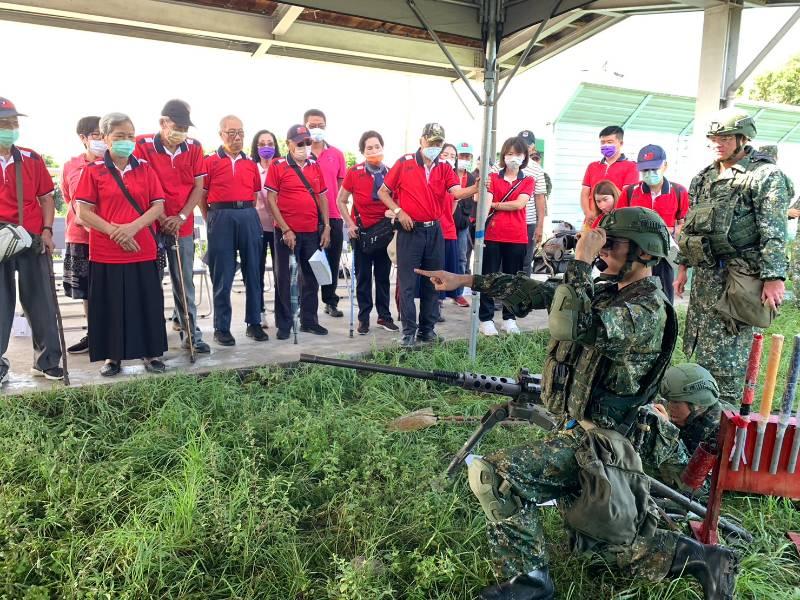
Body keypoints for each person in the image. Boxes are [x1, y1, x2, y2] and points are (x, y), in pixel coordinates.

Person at [417, 207, 738, 600]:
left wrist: (583, 260)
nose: (602, 250)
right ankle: (706, 559)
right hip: (577, 430)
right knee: (616, 547)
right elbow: (537, 291)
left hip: (604, 441)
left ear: (646, 255)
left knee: (496, 475)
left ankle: (529, 583)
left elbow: (568, 322)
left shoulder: (646, 310)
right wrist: (462, 279)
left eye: (611, 243)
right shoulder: (606, 291)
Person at [675, 108, 794, 405]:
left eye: (725, 136)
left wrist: (774, 278)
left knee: (729, 358)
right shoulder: (703, 178)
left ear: (743, 138)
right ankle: (702, 419)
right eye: (714, 137)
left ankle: (725, 422)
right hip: (705, 280)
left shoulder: (765, 176)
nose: (718, 142)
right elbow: (691, 225)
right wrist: (682, 268)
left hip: (738, 281)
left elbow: (774, 231)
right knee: (702, 350)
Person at [74, 112, 168, 376]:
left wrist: (133, 228)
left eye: (130, 136)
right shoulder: (93, 171)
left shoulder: (145, 169)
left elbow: (158, 205)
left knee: (146, 302)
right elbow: (84, 212)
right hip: (106, 251)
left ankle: (150, 354)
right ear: (105, 139)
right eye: (119, 136)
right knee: (110, 304)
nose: (126, 141)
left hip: (142, 248)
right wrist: (116, 232)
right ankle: (111, 358)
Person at [377, 122, 479, 349]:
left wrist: (475, 188)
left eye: (438, 142)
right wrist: (398, 211)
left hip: (434, 230)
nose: (434, 146)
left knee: (434, 280)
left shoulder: (443, 167)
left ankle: (427, 330)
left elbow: (456, 193)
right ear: (421, 140)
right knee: (408, 284)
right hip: (410, 230)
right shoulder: (404, 163)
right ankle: (408, 332)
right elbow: (383, 192)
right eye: (431, 141)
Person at [134, 99, 210, 353]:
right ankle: (151, 338)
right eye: (176, 126)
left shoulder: (194, 147)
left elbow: (198, 187)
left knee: (184, 281)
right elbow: (138, 186)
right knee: (150, 283)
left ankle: (192, 335)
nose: (181, 133)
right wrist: (162, 217)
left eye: (185, 128)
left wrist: (182, 216)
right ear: (163, 123)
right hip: (151, 226)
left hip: (182, 226)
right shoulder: (141, 145)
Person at [0, 96, 63, 383]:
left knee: (42, 301)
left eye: (14, 122)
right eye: (5, 123)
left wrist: (48, 230)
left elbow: (46, 197)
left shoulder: (31, 158)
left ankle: (47, 361)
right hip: (0, 240)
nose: (11, 127)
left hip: (32, 238)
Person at [199, 115, 268, 346]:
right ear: (221, 134)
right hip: (220, 216)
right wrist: (211, 218)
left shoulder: (250, 164)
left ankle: (254, 323)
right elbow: (201, 194)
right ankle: (222, 327)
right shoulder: (209, 162)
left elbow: (256, 194)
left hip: (247, 215)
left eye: (240, 132)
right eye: (231, 133)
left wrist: (247, 213)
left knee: (253, 272)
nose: (237, 137)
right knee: (223, 274)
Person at [266, 124, 331, 339]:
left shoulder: (315, 166)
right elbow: (271, 200)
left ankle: (309, 321)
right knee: (284, 278)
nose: (304, 147)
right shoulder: (278, 165)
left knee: (311, 277)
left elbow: (322, 197)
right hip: (287, 233)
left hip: (312, 231)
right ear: (289, 144)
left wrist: (327, 226)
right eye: (300, 143)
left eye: (307, 143)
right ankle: (284, 324)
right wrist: (285, 229)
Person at [337, 130, 398, 335]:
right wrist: (350, 223)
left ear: (383, 148)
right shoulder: (354, 172)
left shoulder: (391, 172)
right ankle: (364, 318)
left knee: (382, 276)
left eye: (377, 147)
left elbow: (397, 201)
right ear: (363, 151)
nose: (374, 151)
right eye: (369, 148)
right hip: (361, 233)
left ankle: (384, 316)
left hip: (385, 232)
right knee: (363, 277)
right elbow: (341, 200)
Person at [618, 144, 689, 303]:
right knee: (634, 298)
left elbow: (684, 223)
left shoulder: (679, 191)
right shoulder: (630, 192)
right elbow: (619, 222)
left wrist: (672, 232)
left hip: (664, 255)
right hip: (635, 255)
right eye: (645, 170)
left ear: (665, 166)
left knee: (664, 298)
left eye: (654, 169)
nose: (649, 174)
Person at [479, 136, 534, 337]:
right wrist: (480, 232)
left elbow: (519, 204)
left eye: (518, 154)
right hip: (493, 234)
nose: (514, 158)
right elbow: (486, 202)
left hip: (517, 236)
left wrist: (495, 205)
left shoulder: (528, 180)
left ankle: (509, 318)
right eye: (510, 153)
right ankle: (485, 319)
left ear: (525, 156)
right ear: (503, 155)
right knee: (489, 278)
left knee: (512, 280)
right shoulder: (492, 178)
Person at [61, 115, 104, 355]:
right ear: (83, 138)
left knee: (109, 287)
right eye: (96, 135)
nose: (101, 140)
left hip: (108, 238)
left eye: (103, 135)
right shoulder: (71, 166)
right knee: (87, 291)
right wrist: (84, 220)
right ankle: (94, 334)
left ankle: (112, 334)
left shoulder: (112, 164)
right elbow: (69, 198)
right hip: (80, 238)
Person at [305, 109, 346, 318]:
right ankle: (307, 306)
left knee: (332, 258)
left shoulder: (337, 154)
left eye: (320, 124)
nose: (316, 129)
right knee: (311, 260)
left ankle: (330, 300)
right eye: (312, 125)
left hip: (333, 215)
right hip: (308, 216)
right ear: (305, 126)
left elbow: (342, 186)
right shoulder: (300, 153)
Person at [250, 129, 281, 326]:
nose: (266, 147)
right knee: (257, 271)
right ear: (256, 147)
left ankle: (282, 312)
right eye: (262, 144)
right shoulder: (252, 168)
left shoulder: (282, 167)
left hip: (279, 226)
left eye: (270, 143)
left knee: (281, 272)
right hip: (258, 227)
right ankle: (259, 312)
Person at [580, 125, 639, 225]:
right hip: (591, 221)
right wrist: (588, 213)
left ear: (621, 143)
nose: (605, 145)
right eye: (602, 142)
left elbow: (626, 196)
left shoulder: (631, 166)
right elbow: (585, 193)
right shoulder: (592, 166)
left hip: (617, 222)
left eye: (609, 142)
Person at [436, 143, 464, 315]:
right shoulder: (433, 175)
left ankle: (441, 300)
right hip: (432, 230)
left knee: (448, 267)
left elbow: (453, 205)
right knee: (435, 268)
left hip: (448, 229)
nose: (449, 158)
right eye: (445, 154)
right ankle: (435, 303)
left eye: (452, 156)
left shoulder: (454, 179)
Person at [516, 130, 547, 275]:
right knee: (503, 260)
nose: (524, 148)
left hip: (528, 223)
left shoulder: (537, 169)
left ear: (532, 147)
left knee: (525, 262)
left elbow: (540, 198)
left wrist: (540, 225)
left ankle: (524, 295)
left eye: (527, 145)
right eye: (521, 144)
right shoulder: (501, 164)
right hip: (505, 221)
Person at [454, 141, 476, 286]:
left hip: (463, 223)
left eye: (468, 156)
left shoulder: (472, 178)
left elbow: (473, 200)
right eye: (462, 155)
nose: (465, 159)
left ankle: (458, 291)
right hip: (446, 221)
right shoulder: (448, 173)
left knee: (462, 257)